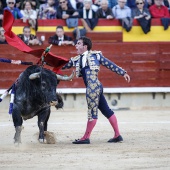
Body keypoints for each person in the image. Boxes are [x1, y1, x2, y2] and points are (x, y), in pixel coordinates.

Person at [62, 36, 130, 144]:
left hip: (93, 88)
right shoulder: (76, 59)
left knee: (92, 113)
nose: (76, 45)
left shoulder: (96, 55)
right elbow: (63, 65)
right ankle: (117, 135)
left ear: (85, 46)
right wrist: (48, 63)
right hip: (96, 87)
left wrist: (123, 72)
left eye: (78, 44)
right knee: (106, 110)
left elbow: (109, 64)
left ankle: (86, 137)